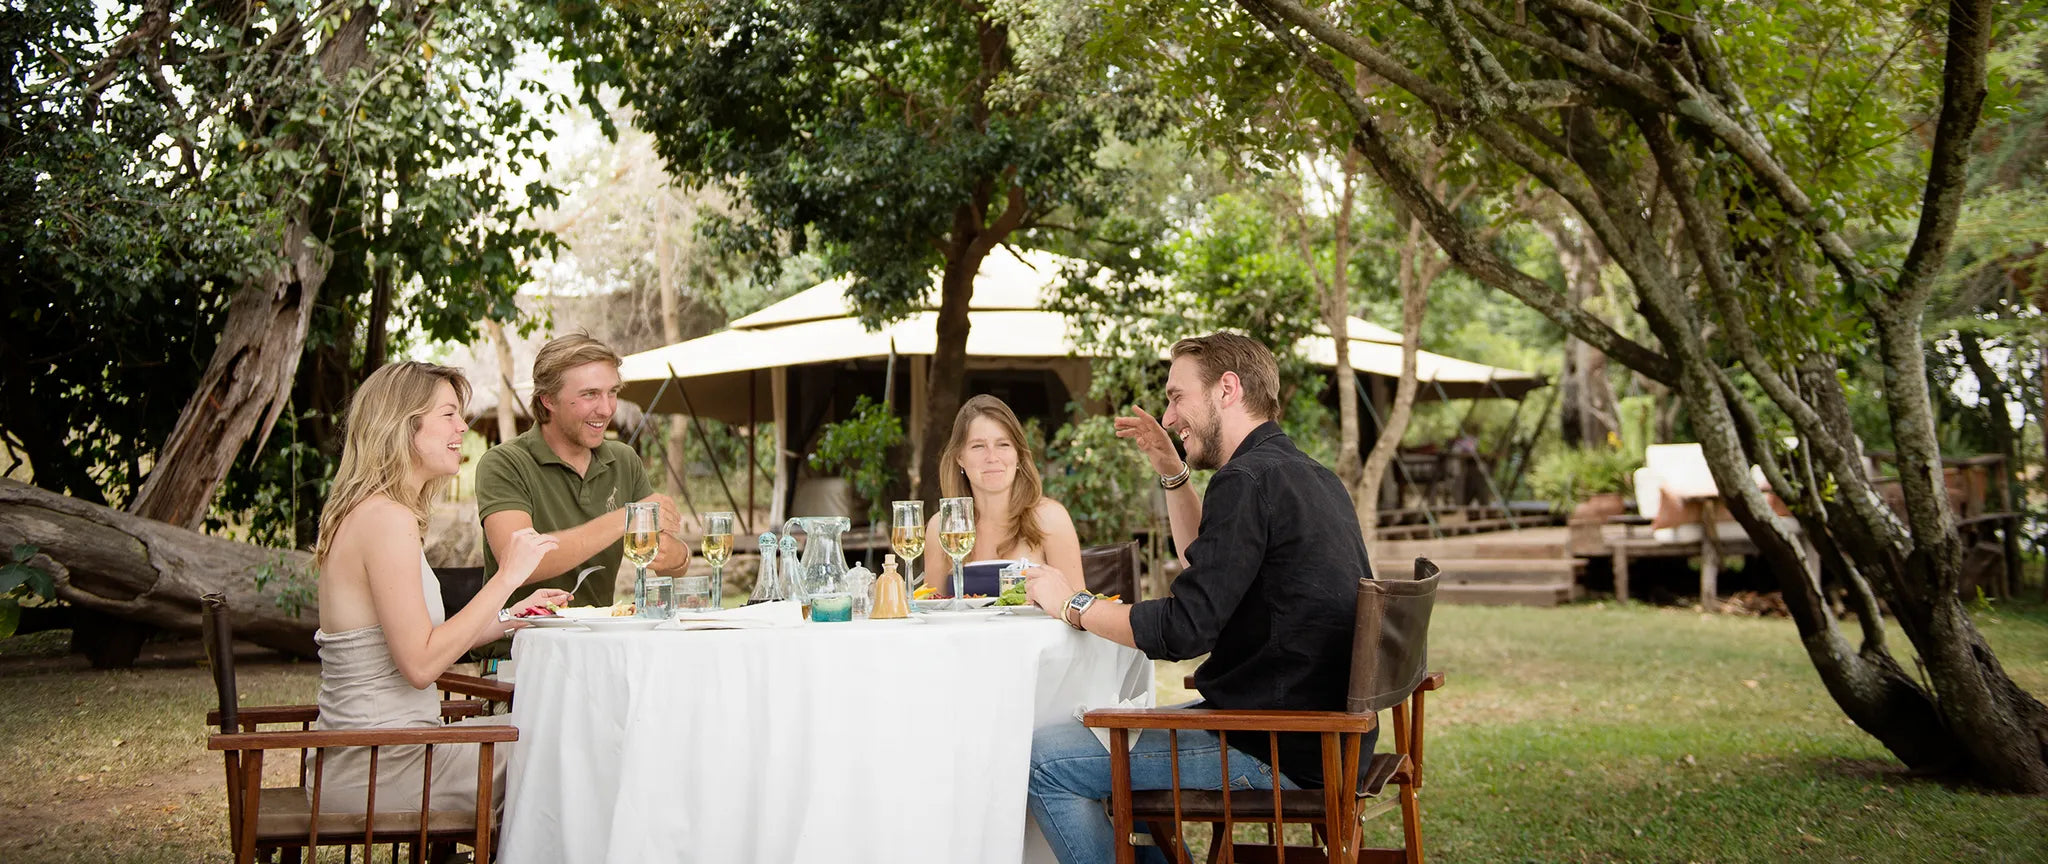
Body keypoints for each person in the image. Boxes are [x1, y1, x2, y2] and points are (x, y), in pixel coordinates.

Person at [1022, 333, 1373, 864]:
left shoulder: (1247, 481)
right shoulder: (1308, 476)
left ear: (1227, 389)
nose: (1167, 416)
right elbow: (1203, 564)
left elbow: (1183, 629)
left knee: (1046, 761)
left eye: (1176, 396)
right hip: (1321, 738)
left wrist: (1074, 603)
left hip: (1276, 742)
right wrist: (1172, 471)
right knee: (1104, 752)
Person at [310, 361, 570, 814]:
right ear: (403, 426)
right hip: (384, 766)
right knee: (568, 749)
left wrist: (513, 614)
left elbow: (424, 637)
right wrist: (508, 576)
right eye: (448, 414)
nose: (462, 427)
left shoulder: (377, 512)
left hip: (382, 755)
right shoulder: (386, 520)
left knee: (554, 734)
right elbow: (422, 663)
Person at [475, 334, 690, 609]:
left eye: (612, 392)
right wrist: (626, 517)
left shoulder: (624, 460)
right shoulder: (504, 463)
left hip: (598, 644)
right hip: (519, 645)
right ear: (548, 400)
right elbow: (518, 565)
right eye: (590, 394)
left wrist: (677, 558)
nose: (607, 408)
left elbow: (667, 562)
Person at [923, 394, 1083, 597]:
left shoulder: (1050, 519)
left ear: (1018, 455)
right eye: (978, 446)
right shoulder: (942, 526)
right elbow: (932, 609)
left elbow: (1080, 610)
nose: (992, 457)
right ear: (960, 458)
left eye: (1003, 444)